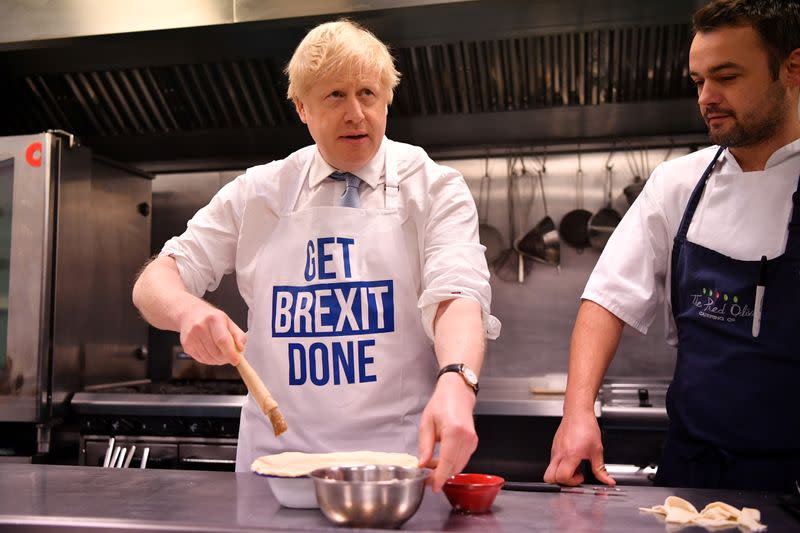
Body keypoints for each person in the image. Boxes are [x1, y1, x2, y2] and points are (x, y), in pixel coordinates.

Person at [132, 19, 499, 491]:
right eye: (335, 96)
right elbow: (155, 280)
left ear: (387, 99)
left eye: (368, 93)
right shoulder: (258, 193)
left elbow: (458, 294)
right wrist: (188, 312)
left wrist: (457, 379)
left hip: (397, 470)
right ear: (302, 108)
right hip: (275, 473)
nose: (356, 114)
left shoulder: (432, 186)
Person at [545, 0, 800, 492]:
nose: (708, 97)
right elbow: (606, 297)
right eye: (699, 81)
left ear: (792, 67)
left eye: (726, 77)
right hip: (691, 475)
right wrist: (578, 413)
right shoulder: (678, 183)